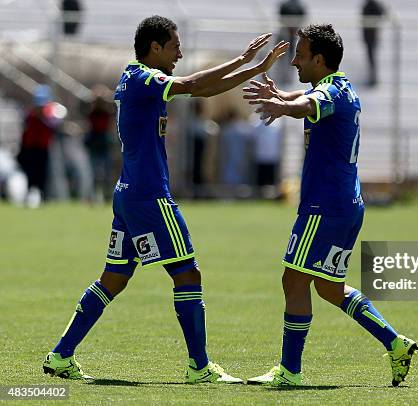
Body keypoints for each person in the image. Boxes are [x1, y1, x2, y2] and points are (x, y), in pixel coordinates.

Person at [43, 15, 288, 384]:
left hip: (129, 194)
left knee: (114, 277)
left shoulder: (136, 78)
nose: (180, 52)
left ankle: (61, 354)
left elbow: (201, 90)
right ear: (154, 47)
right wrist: (243, 62)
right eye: (174, 45)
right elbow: (193, 84)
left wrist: (254, 67)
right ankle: (200, 367)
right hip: (150, 195)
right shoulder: (145, 78)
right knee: (187, 273)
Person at [243, 24, 417, 387]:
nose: (293, 61)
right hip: (346, 203)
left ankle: (289, 371)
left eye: (301, 55)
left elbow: (311, 103)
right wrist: (283, 96)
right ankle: (395, 343)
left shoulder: (327, 95)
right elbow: (310, 97)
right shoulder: (342, 87)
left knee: (293, 279)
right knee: (329, 289)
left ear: (319, 59)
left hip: (324, 205)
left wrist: (283, 105)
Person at [17, 85, 57, 206]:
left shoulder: (50, 114)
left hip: (43, 149)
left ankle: (42, 195)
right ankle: (29, 194)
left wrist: (44, 116)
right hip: (29, 149)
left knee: (43, 174)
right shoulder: (30, 114)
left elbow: (54, 125)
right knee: (30, 173)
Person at [277, 0, 306, 83]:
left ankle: (287, 75)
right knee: (283, 53)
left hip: (290, 31)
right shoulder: (297, 5)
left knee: (289, 54)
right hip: (287, 30)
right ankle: (284, 75)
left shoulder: (287, 5)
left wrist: (292, 27)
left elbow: (281, 15)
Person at [361, 0, 385, 86]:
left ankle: (373, 77)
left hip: (372, 36)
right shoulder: (368, 5)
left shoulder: (372, 5)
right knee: (370, 56)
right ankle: (372, 77)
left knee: (372, 57)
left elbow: (382, 13)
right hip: (369, 35)